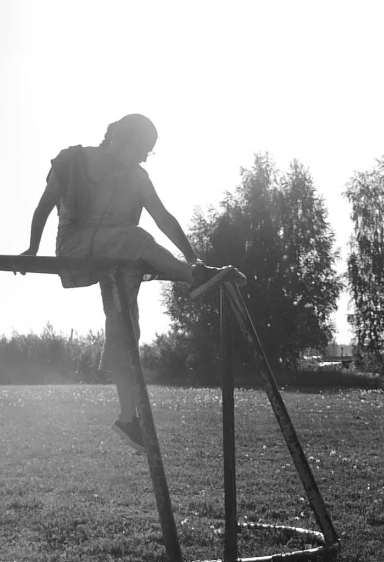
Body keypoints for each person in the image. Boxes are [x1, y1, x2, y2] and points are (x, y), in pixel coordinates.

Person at [25, 113, 239, 448]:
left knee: (125, 326)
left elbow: (164, 217)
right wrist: (31, 250)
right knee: (137, 237)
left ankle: (128, 418)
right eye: (141, 148)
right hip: (77, 244)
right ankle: (193, 278)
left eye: (148, 152)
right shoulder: (73, 161)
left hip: (118, 255)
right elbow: (43, 206)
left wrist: (194, 254)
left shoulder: (137, 177)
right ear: (117, 138)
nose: (142, 157)